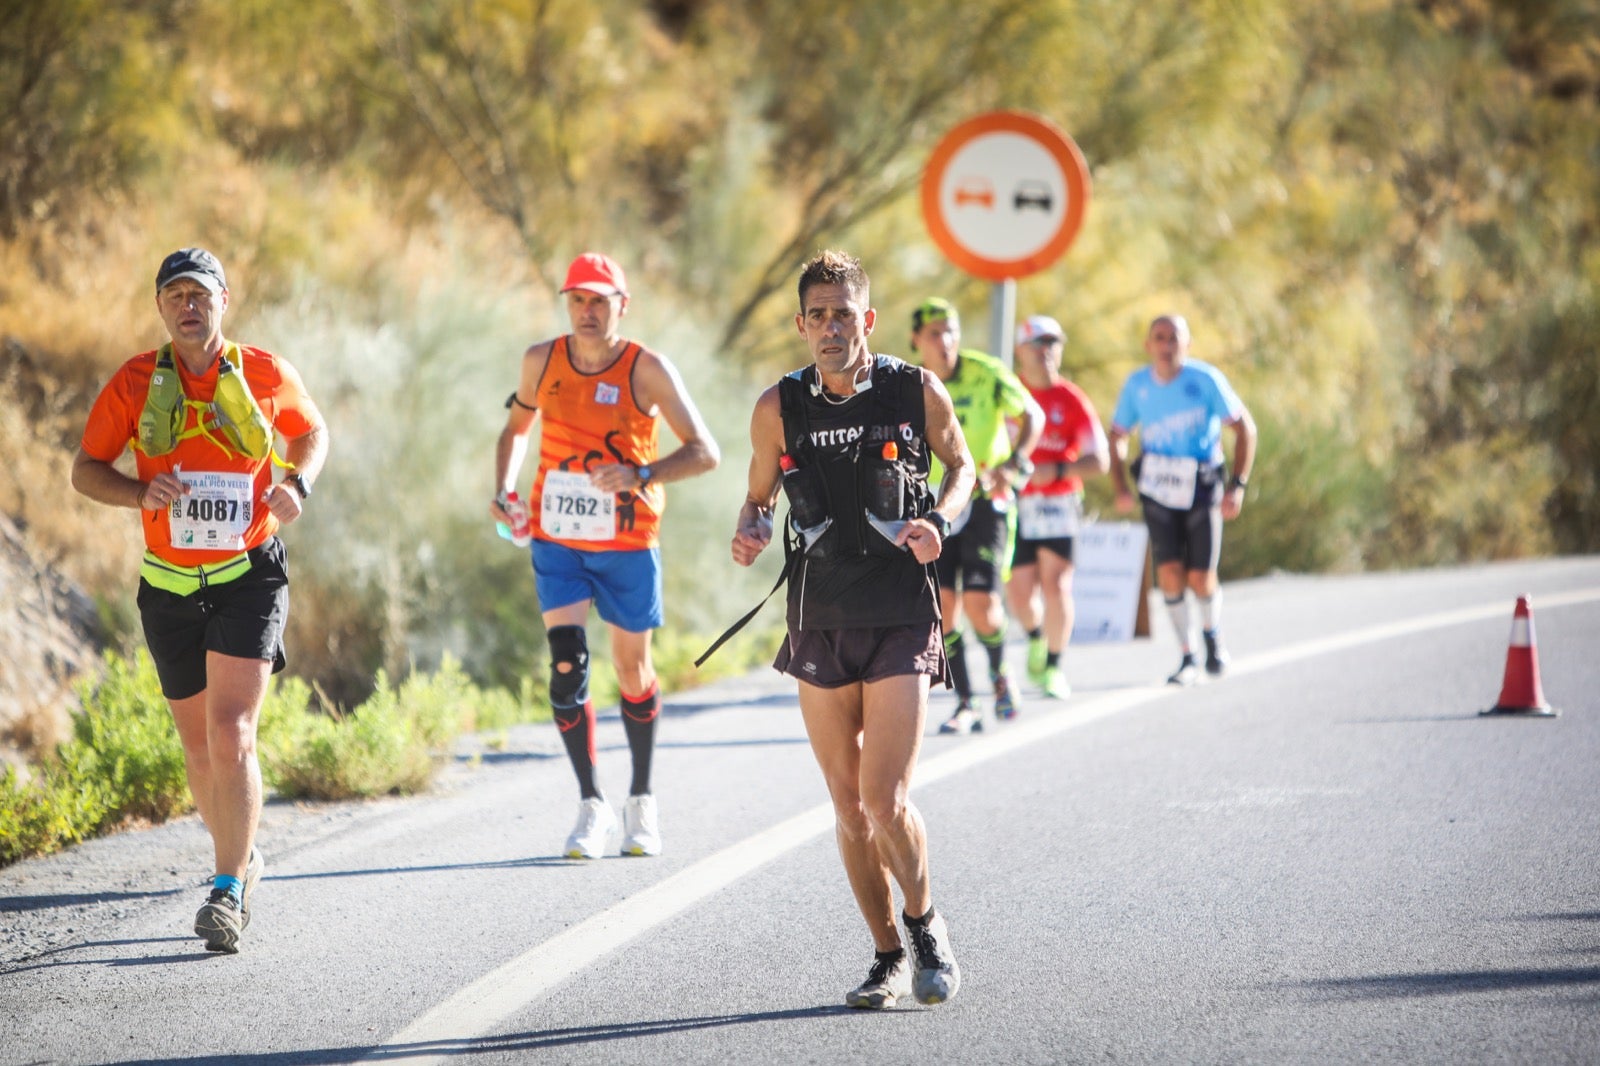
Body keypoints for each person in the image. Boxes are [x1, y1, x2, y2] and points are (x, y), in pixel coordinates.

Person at [730, 250, 973, 1010]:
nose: (831, 327)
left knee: (883, 800)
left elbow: (964, 468)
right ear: (801, 325)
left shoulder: (913, 388)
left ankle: (926, 926)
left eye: (845, 313)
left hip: (899, 611)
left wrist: (940, 517)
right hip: (818, 619)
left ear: (866, 320)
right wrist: (750, 529)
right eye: (818, 315)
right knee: (844, 806)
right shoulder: (779, 407)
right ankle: (886, 957)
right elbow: (757, 496)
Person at [70, 248, 328, 954]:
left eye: (201, 294)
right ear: (160, 306)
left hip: (248, 574)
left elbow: (312, 434)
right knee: (196, 747)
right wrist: (136, 492)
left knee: (231, 732)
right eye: (176, 294)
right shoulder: (133, 383)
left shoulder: (265, 372)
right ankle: (243, 858)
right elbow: (85, 470)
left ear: (223, 301)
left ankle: (225, 890)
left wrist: (296, 486)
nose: (189, 305)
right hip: (170, 585)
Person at [492, 252, 719, 860]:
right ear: (566, 303)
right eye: (577, 300)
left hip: (627, 541)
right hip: (557, 537)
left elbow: (705, 451)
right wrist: (504, 490)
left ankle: (641, 801)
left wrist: (642, 471)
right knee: (566, 665)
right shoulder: (542, 360)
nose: (587, 312)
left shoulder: (648, 369)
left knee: (631, 672)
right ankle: (591, 804)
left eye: (599, 301)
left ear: (623, 305)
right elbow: (516, 431)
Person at [907, 298, 1042, 733]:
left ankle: (1002, 675)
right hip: (936, 503)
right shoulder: (911, 385)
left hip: (986, 496)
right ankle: (965, 701)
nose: (944, 341)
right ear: (916, 341)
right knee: (944, 608)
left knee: (983, 605)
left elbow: (1031, 415)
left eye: (951, 330)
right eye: (934, 333)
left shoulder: (985, 372)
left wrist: (1016, 461)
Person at [1108, 314, 1256, 685]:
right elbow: (1117, 434)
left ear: (1187, 344)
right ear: (1148, 345)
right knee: (1170, 573)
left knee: (1201, 576)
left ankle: (1213, 638)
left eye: (1174, 338)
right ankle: (1187, 655)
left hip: (1202, 484)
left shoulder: (1205, 380)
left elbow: (1244, 428)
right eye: (1159, 337)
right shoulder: (1137, 385)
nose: (1166, 345)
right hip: (1158, 487)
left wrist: (1237, 485)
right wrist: (1121, 486)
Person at [1004, 315, 1109, 700]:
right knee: (1018, 592)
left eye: (1053, 344)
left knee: (1057, 584)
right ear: (1021, 351)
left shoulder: (1071, 399)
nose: (1047, 351)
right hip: (1016, 502)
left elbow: (1100, 459)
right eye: (1038, 344)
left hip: (1058, 503)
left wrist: (1058, 469)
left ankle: (1053, 665)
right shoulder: (1010, 393)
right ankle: (1034, 637)